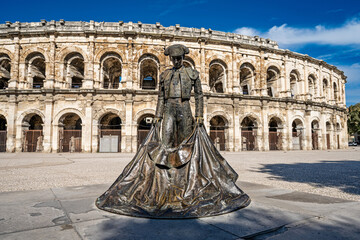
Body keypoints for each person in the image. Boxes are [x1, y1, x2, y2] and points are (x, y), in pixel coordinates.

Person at [96, 44, 250, 218]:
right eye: (174, 59)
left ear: (183, 58)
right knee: (166, 142)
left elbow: (199, 95)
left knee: (186, 143)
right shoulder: (165, 75)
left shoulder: (192, 73)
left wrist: (199, 116)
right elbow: (161, 96)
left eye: (179, 58)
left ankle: (186, 181)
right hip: (169, 108)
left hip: (185, 108)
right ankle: (167, 182)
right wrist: (157, 116)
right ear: (170, 59)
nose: (176, 61)